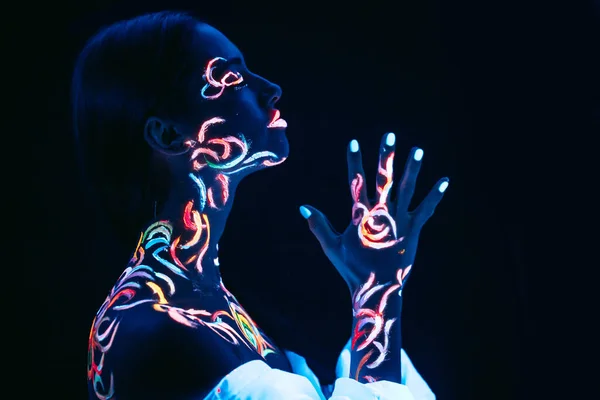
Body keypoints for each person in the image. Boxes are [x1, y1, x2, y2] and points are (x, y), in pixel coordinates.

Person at [73, 11, 448, 400]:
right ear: (168, 134)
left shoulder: (220, 304)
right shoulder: (155, 329)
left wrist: (376, 289)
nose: (271, 89)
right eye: (231, 78)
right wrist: (379, 294)